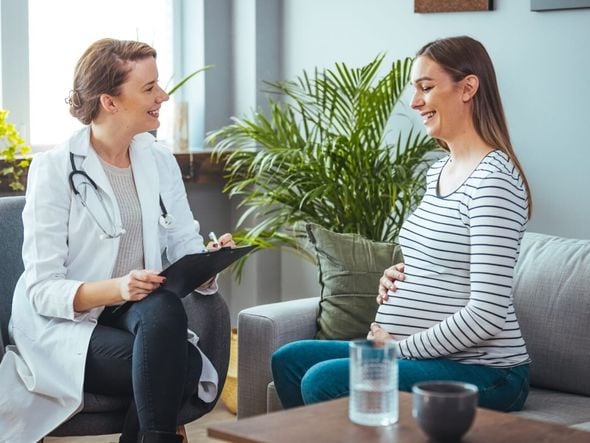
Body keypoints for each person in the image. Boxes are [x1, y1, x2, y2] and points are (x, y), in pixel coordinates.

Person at [271, 35, 532, 412]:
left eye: (426, 88)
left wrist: (397, 351)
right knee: (291, 359)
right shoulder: (439, 170)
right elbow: (445, 260)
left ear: (468, 88)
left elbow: (488, 314)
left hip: (486, 371)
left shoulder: (494, 180)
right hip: (427, 357)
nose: (414, 102)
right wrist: (404, 273)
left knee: (323, 380)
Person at [0, 38, 235, 443]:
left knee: (162, 307)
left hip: (141, 312)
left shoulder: (158, 160)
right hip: (66, 323)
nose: (163, 96)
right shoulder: (54, 169)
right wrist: (118, 287)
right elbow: (41, 289)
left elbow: (183, 244)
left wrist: (206, 267)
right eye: (149, 89)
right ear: (109, 102)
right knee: (178, 368)